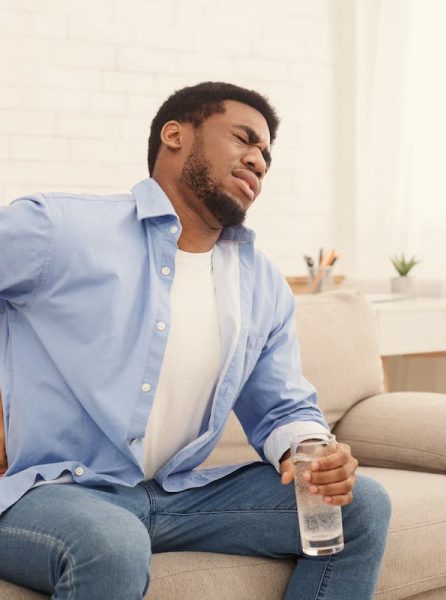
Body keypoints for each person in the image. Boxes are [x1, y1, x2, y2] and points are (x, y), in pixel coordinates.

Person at [0, 81, 391, 599]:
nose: (258, 160)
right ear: (175, 134)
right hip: (50, 492)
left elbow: (280, 408)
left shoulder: (260, 284)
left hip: (174, 495)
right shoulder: (62, 229)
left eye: (266, 156)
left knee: (361, 506)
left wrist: (312, 452)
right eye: (243, 138)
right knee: (112, 542)